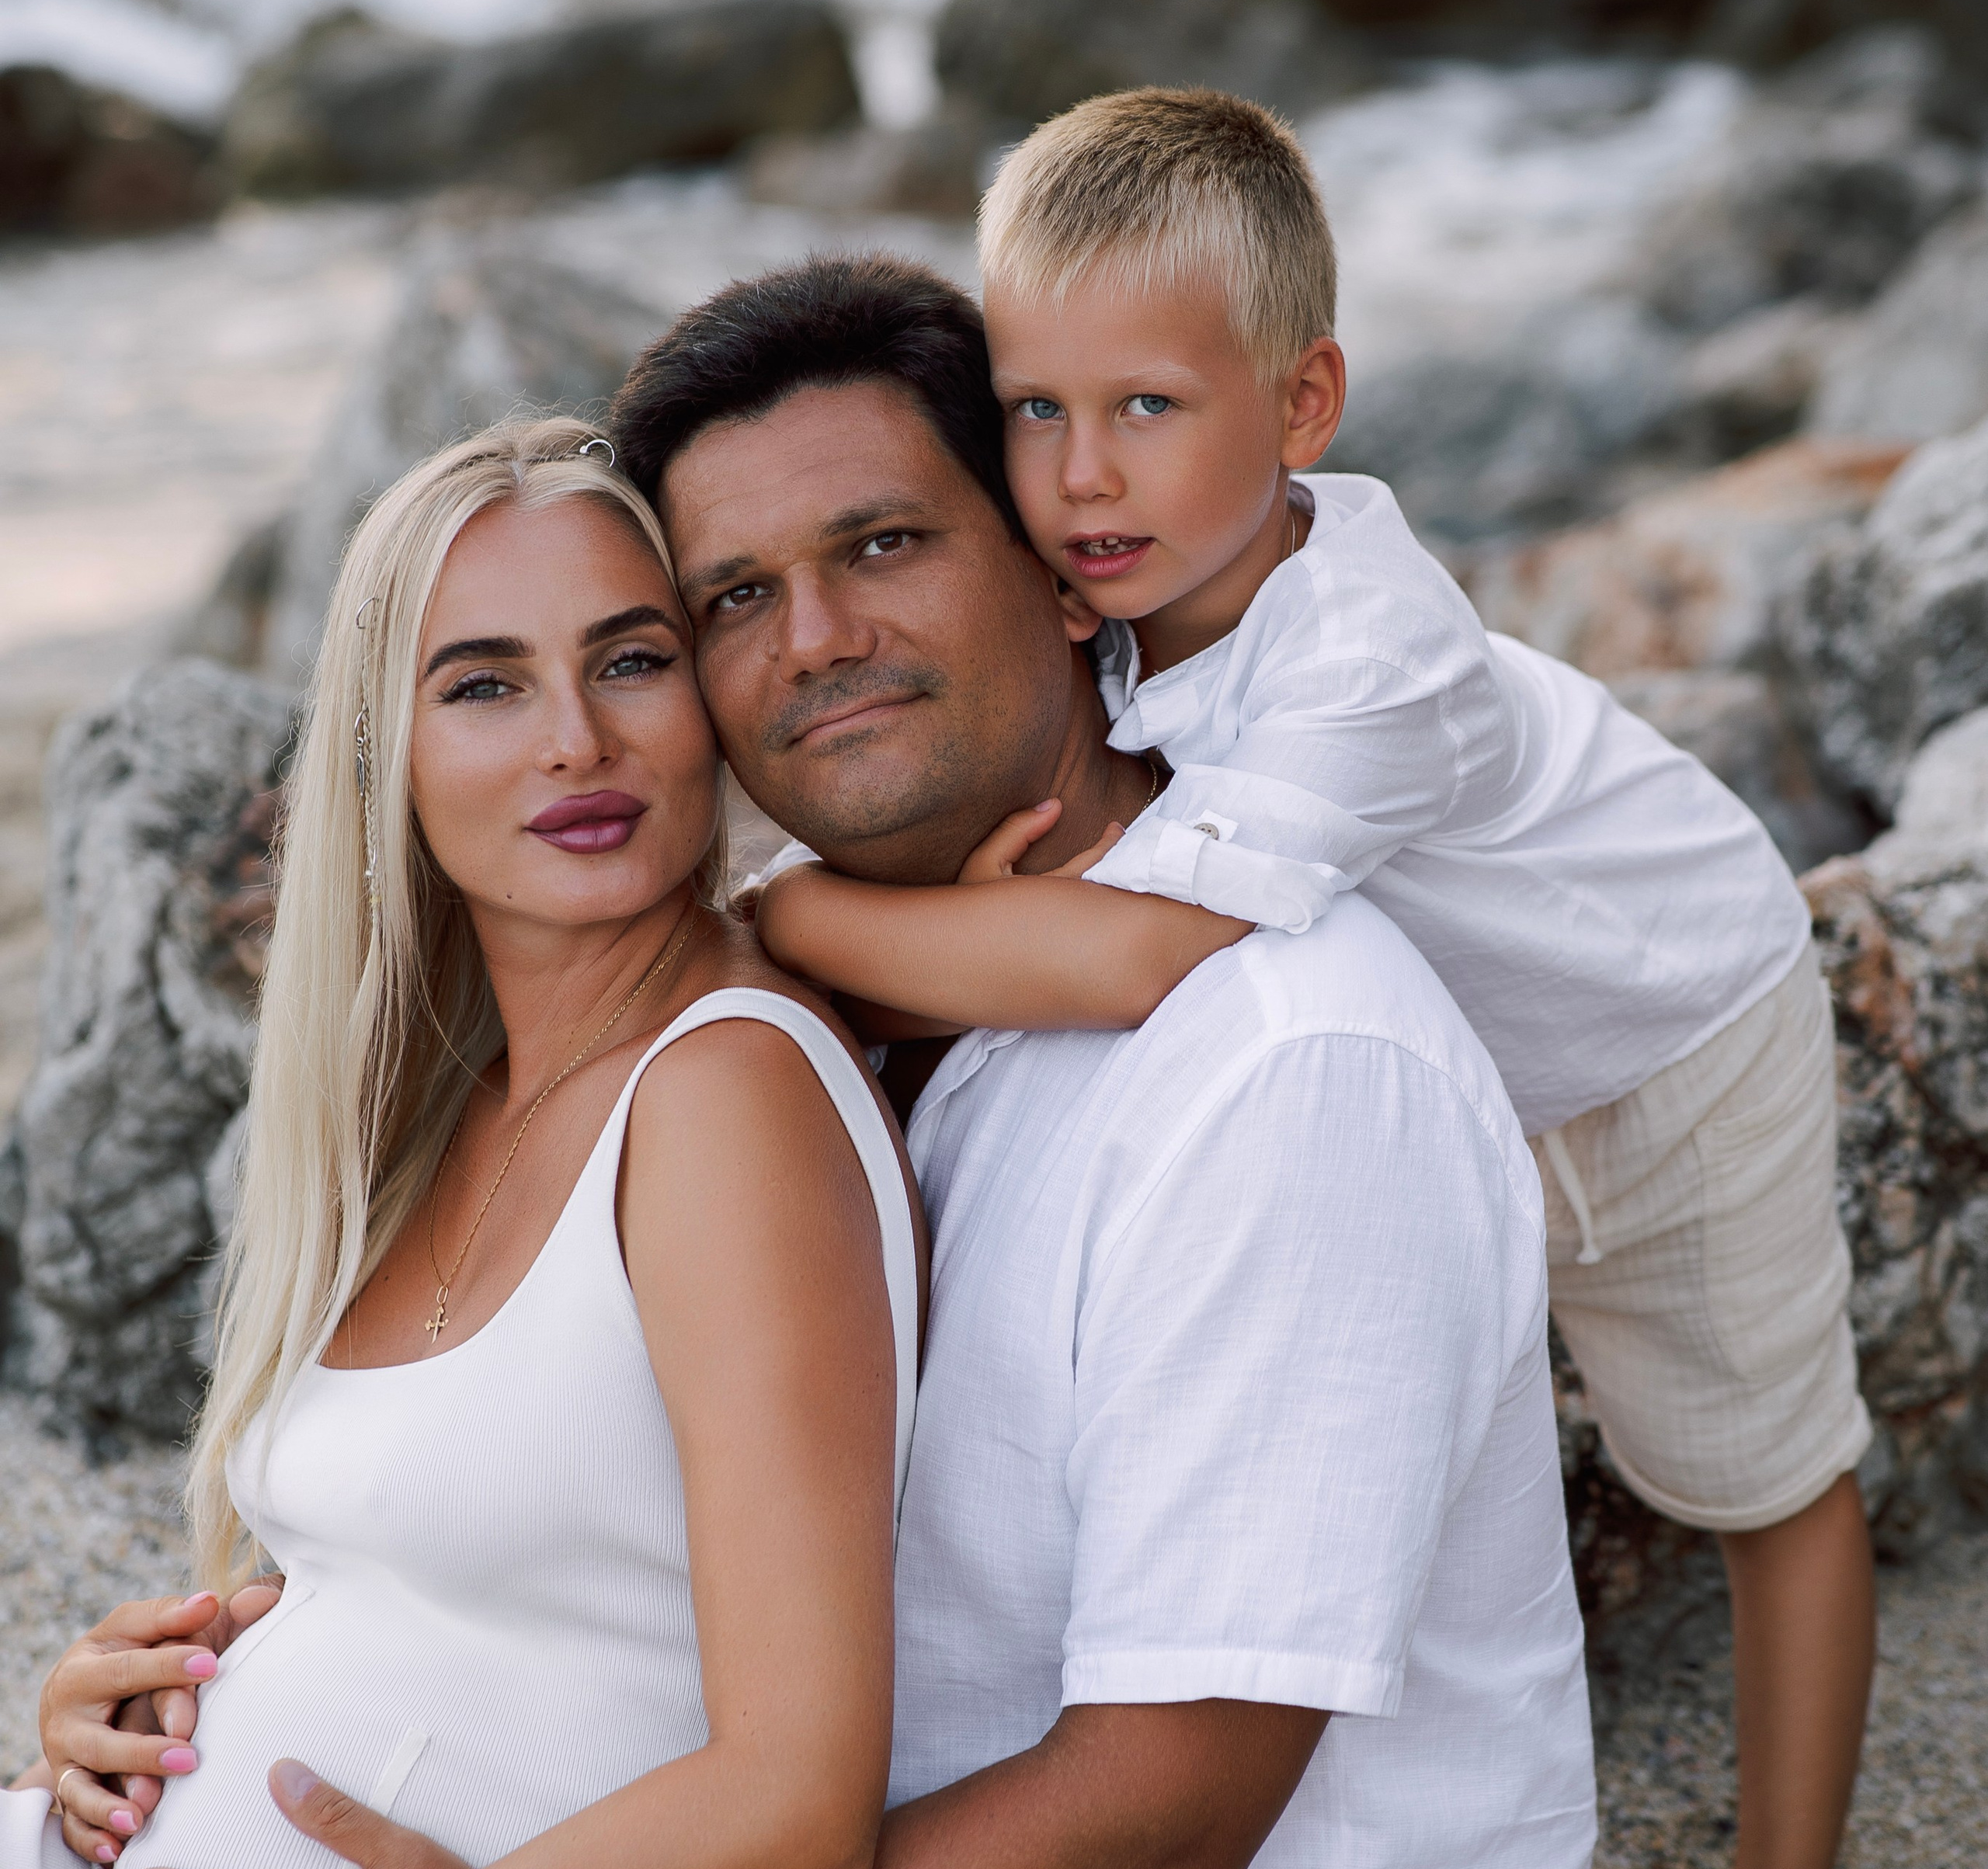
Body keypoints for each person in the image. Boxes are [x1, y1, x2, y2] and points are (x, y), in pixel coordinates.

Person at [36, 256, 1594, 1867]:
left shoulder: (1287, 1067)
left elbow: (1169, 1801)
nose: (817, 639)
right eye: (732, 598)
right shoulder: (845, 995)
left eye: (882, 543)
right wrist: (194, 1685)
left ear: (1070, 572)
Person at [752, 92, 1878, 1869]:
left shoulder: (1370, 650)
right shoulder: (1101, 589)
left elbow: (1138, 952)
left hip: (1667, 1026)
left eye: (1146, 407)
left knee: (1758, 1471)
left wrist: (788, 921)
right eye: (1034, 409)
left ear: (1302, 405)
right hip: (1439, 1059)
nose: (1080, 473)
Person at [9, 416, 922, 1868]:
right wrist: (103, 1724)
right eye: (486, 684)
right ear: (389, 754)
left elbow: (800, 1793)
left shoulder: (724, 1093)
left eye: (632, 660)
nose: (578, 740)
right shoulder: (439, 1104)